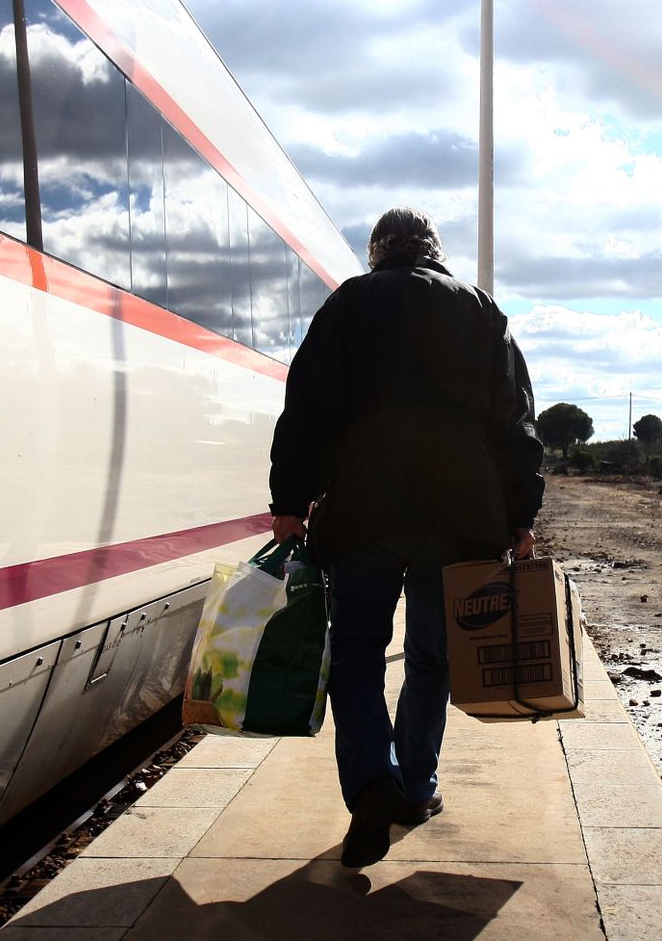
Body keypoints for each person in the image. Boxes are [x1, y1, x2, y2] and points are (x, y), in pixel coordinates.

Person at [268, 205, 544, 870]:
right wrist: (520, 515)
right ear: (434, 250)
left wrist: (290, 501)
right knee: (432, 659)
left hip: (365, 510)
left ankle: (373, 782)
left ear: (376, 251)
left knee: (358, 652)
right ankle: (415, 786)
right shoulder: (481, 312)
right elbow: (515, 422)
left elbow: (306, 407)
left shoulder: (348, 306)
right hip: (461, 515)